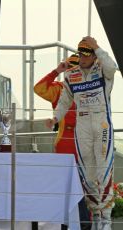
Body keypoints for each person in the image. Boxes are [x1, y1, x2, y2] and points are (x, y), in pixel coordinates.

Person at [46, 37, 117, 230]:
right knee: (87, 173)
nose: (83, 58)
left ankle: (106, 220)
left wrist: (98, 47)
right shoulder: (71, 75)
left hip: (102, 122)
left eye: (87, 55)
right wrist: (55, 118)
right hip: (82, 123)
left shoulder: (103, 68)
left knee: (103, 171)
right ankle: (96, 217)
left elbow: (114, 67)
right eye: (81, 55)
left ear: (94, 56)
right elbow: (64, 101)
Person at [35, 55, 92, 230]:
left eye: (75, 67)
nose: (72, 70)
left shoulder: (90, 87)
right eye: (69, 67)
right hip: (66, 142)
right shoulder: (59, 88)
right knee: (67, 185)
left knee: (86, 185)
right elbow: (38, 88)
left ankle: (84, 223)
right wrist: (56, 71)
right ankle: (72, 224)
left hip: (86, 141)